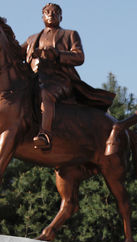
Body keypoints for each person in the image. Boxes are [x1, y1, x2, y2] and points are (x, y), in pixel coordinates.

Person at [22, 3, 115, 150]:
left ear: (61, 16)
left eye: (55, 12)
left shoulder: (70, 34)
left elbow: (79, 57)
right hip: (34, 79)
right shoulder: (31, 39)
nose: (51, 14)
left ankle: (44, 134)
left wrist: (57, 54)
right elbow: (15, 55)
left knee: (45, 94)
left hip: (59, 80)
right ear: (42, 17)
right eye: (47, 12)